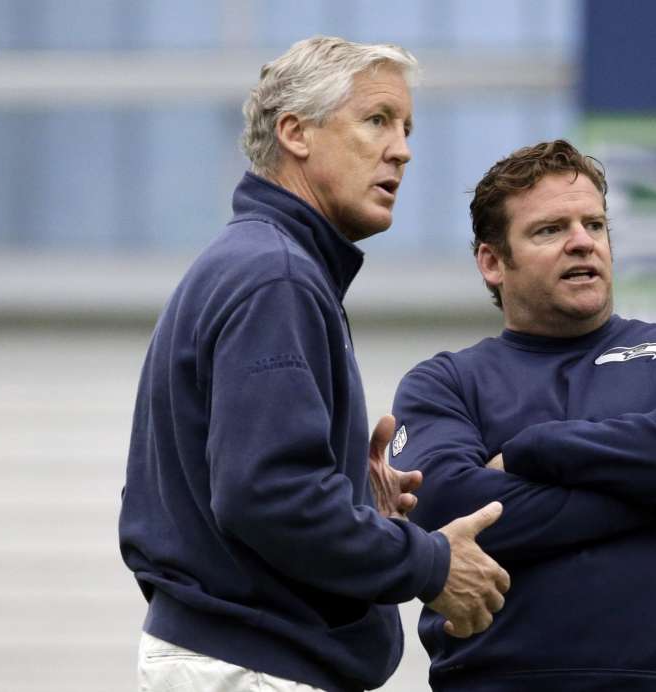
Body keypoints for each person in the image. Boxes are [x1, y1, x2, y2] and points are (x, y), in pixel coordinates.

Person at [118, 36, 510, 692]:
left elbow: (254, 495)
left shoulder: (261, 263)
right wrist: (431, 563)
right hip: (256, 667)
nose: (403, 149)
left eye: (407, 127)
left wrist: (355, 508)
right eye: (377, 120)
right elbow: (270, 497)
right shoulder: (277, 276)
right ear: (296, 133)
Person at [390, 139, 656, 692]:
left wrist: (530, 451)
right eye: (550, 230)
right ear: (492, 262)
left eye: (595, 224)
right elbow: (448, 507)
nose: (582, 242)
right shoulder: (444, 383)